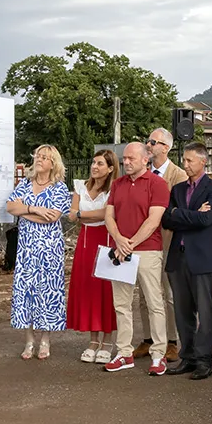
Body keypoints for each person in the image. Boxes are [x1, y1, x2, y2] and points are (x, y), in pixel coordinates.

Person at [103, 142, 170, 375]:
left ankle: (159, 354)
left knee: (154, 303)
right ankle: (124, 352)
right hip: (120, 250)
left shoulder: (158, 184)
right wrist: (119, 240)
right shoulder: (117, 184)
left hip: (147, 250)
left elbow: (154, 220)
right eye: (125, 158)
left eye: (131, 158)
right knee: (121, 304)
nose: (126, 162)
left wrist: (129, 243)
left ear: (145, 159)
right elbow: (109, 215)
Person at [162, 142, 212, 380]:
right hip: (179, 257)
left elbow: (207, 220)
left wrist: (181, 214)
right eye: (184, 160)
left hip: (203, 259)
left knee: (205, 312)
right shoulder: (177, 189)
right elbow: (167, 219)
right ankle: (186, 357)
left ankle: (204, 360)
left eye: (189, 160)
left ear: (203, 161)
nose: (185, 164)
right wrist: (191, 214)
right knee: (182, 312)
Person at [6, 144, 71, 360]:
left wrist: (24, 212)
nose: (39, 160)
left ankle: (45, 339)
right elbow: (10, 207)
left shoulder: (59, 188)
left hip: (49, 249)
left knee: (47, 292)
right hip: (26, 249)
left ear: (53, 163)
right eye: (38, 156)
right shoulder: (25, 184)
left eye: (44, 157)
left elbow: (52, 217)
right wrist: (34, 209)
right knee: (26, 291)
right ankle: (28, 340)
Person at [133, 128, 188, 362]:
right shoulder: (141, 174)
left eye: (153, 142)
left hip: (167, 242)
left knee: (168, 294)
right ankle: (148, 338)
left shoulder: (179, 176)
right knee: (144, 294)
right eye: (147, 141)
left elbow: (178, 212)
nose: (148, 145)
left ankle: (172, 341)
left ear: (166, 147)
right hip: (143, 242)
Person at [67, 149, 119, 364]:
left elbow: (106, 214)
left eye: (100, 163)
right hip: (86, 243)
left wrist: (82, 214)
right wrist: (85, 215)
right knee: (88, 288)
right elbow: (71, 215)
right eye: (94, 162)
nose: (94, 167)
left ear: (110, 168)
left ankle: (108, 341)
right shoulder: (81, 186)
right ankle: (93, 340)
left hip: (107, 241)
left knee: (106, 289)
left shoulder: (115, 189)